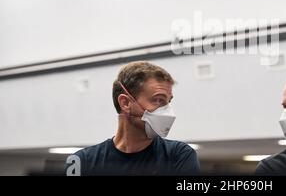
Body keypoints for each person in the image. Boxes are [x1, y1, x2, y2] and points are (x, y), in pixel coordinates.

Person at [67, 61, 199, 175]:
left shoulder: (179, 155)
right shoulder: (82, 161)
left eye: (168, 102)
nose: (168, 111)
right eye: (158, 100)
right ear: (125, 103)